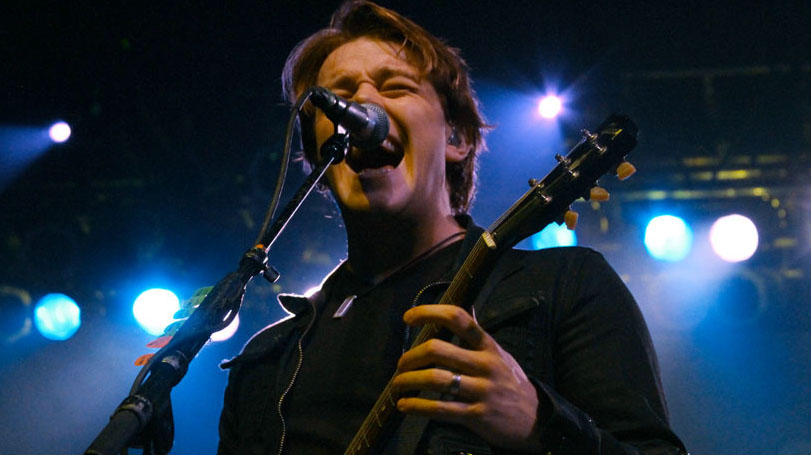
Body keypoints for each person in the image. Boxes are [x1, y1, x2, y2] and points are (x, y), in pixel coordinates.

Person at [217, 2, 687, 454]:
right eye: (336, 97)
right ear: (319, 153)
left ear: (457, 138)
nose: (359, 102)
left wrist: (540, 424)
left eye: (394, 86)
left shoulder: (564, 285)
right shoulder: (268, 357)